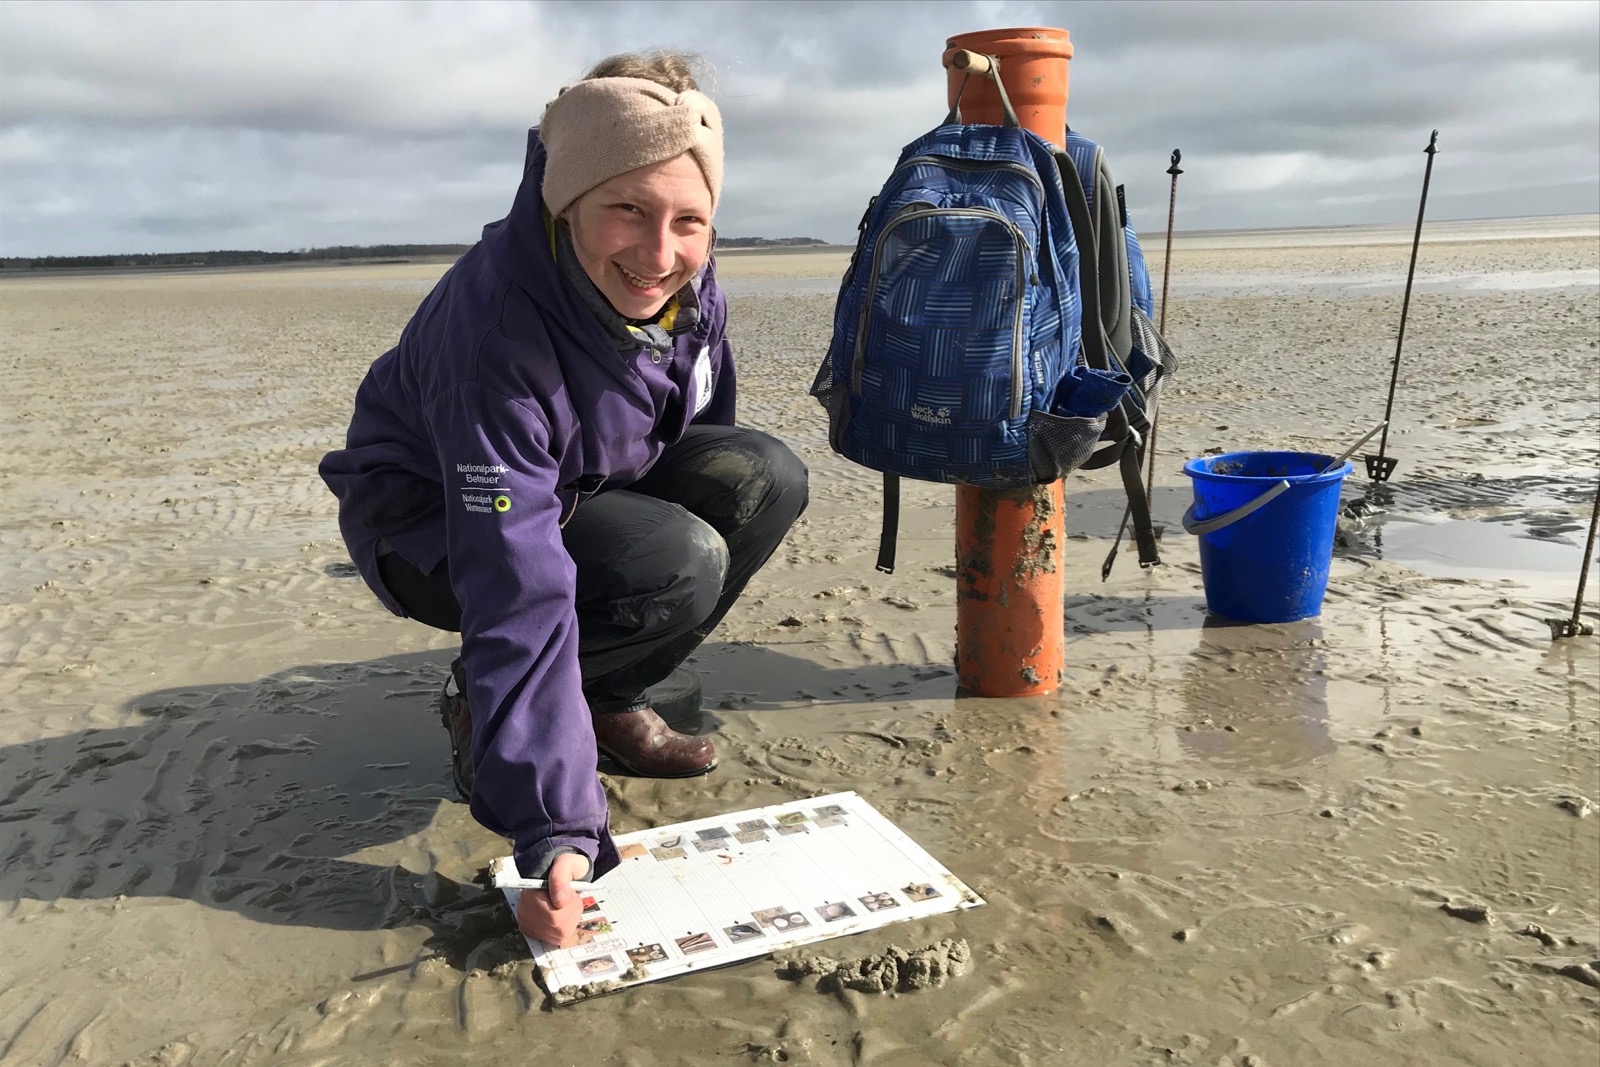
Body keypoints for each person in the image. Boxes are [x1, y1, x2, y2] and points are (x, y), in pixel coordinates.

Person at [319, 51, 808, 948]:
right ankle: (487, 712)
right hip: (431, 524)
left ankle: (607, 698)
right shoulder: (495, 334)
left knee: (763, 474)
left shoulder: (685, 283)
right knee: (676, 559)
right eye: (628, 209)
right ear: (566, 197)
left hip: (583, 481)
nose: (659, 255)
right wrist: (556, 832)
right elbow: (518, 581)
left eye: (688, 221)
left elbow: (703, 424)